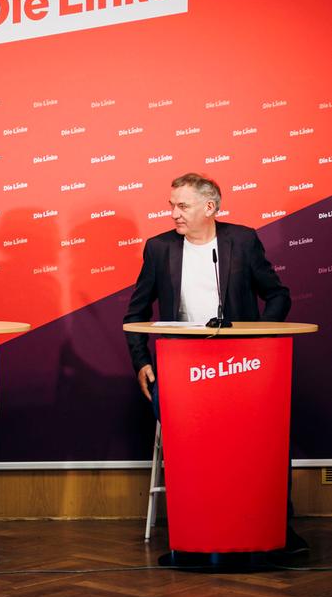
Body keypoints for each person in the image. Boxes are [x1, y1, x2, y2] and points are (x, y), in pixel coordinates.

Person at [123, 172, 307, 554]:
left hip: (245, 366)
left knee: (268, 432)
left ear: (210, 207)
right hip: (181, 369)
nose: (173, 213)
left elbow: (278, 295)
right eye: (171, 205)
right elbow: (136, 311)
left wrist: (258, 337)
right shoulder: (158, 249)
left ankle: (275, 525)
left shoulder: (242, 241)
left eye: (182, 205)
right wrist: (141, 361)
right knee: (190, 436)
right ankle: (195, 526)